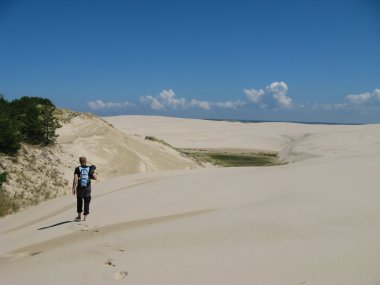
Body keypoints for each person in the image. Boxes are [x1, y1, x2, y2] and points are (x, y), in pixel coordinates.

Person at [72, 156, 97, 221]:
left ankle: (79, 216)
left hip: (80, 187)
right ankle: (85, 217)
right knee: (87, 200)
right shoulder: (89, 168)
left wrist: (74, 188)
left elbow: (75, 179)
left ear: (80, 161)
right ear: (86, 161)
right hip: (88, 187)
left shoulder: (77, 169)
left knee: (79, 200)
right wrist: (89, 178)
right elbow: (95, 177)